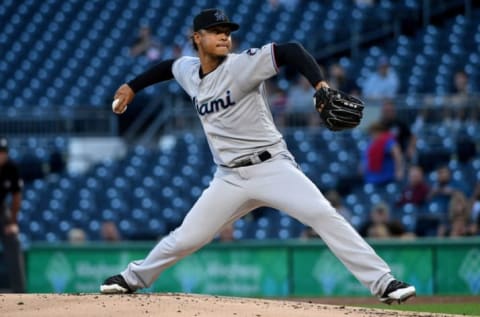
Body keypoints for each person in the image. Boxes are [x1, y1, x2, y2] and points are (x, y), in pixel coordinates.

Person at [101, 9, 415, 304]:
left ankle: (384, 283)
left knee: (322, 214)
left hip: (272, 167)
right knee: (186, 238)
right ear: (196, 38)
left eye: (227, 32)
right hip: (229, 178)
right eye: (215, 31)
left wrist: (320, 85)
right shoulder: (189, 72)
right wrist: (132, 86)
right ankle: (131, 279)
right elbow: (166, 67)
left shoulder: (241, 65)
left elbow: (291, 49)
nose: (224, 37)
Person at [0, 137, 26, 293]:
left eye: (3, 152)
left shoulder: (11, 168)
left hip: (2, 208)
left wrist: (13, 222)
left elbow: (16, 197)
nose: (0, 156)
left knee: (14, 241)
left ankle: (19, 291)